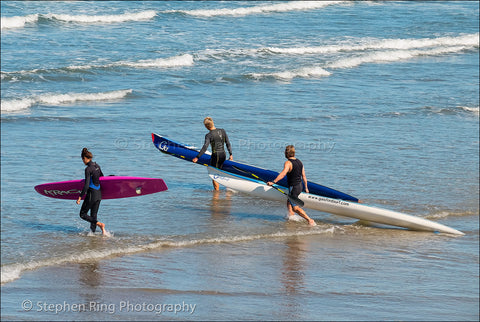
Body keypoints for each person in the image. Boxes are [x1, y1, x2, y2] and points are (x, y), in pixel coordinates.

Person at [267, 145, 316, 226]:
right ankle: (291, 216)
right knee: (289, 201)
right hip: (299, 186)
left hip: (294, 187)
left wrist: (273, 182)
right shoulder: (300, 162)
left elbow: (283, 174)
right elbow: (304, 176)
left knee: (295, 207)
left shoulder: (288, 163)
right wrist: (306, 187)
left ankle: (309, 220)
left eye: (285, 152)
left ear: (287, 153)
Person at [193, 117, 233, 190]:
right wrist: (230, 154)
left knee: (214, 174)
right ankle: (228, 190)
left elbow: (205, 147)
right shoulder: (222, 131)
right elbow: (227, 143)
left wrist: (197, 157)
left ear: (206, 126)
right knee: (223, 172)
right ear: (213, 123)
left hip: (216, 156)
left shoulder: (209, 135)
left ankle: (216, 192)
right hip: (223, 155)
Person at [76, 148, 106, 235]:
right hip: (98, 194)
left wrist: (80, 197)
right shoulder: (97, 166)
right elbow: (102, 178)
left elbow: (86, 185)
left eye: (83, 160)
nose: (83, 162)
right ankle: (93, 234)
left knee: (82, 214)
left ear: (85, 158)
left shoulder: (88, 169)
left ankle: (100, 224)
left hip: (91, 194)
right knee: (94, 215)